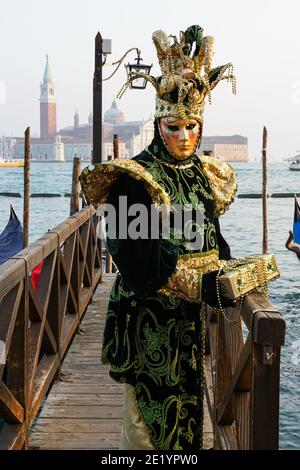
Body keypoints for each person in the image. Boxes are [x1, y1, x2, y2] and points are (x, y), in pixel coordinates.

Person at [80, 25, 237, 450]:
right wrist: (200, 284)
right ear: (157, 122)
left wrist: (232, 273)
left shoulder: (202, 175)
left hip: (187, 335)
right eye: (174, 126)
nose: (184, 137)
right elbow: (137, 266)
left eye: (192, 125)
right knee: (146, 436)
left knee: (185, 430)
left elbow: (213, 241)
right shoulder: (135, 182)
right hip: (147, 329)